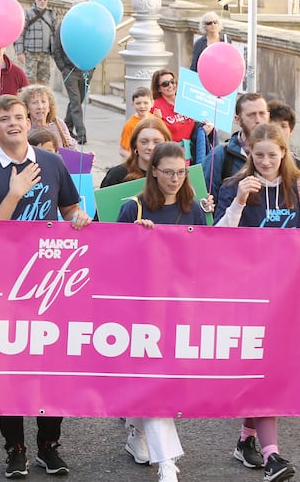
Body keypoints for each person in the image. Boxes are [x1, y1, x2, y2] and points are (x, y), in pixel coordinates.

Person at [0, 94, 91, 478]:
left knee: (51, 367)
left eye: (19, 117)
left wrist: (79, 216)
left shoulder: (52, 163)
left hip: (51, 283)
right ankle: (15, 448)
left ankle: (49, 446)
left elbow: (69, 207)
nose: (14, 124)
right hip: (5, 284)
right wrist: (14, 193)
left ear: (28, 121)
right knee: (11, 370)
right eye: (5, 118)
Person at [115, 142, 209, 482]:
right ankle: (167, 461)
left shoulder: (194, 208)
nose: (174, 179)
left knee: (161, 381)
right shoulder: (134, 208)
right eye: (168, 172)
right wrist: (136, 240)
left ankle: (136, 431)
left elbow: (203, 259)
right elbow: (112, 259)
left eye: (181, 172)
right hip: (141, 310)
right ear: (153, 171)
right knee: (154, 380)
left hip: (178, 308)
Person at [213, 122, 300, 482]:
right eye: (258, 155)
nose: (265, 161)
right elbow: (216, 239)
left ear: (284, 153)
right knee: (262, 370)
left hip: (289, 296)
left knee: (269, 370)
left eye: (272, 155)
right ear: (249, 153)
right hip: (247, 296)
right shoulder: (234, 186)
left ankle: (246, 440)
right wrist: (238, 201)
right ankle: (271, 456)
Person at [202, 92, 269, 199]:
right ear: (238, 120)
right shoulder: (220, 155)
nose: (258, 120)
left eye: (262, 114)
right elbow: (206, 199)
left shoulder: (279, 155)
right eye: (251, 115)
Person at [51, 19, 94, 144]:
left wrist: (92, 67)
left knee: (78, 101)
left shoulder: (89, 26)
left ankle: (66, 128)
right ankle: (81, 134)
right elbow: (56, 48)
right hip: (70, 71)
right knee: (75, 102)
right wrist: (63, 68)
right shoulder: (64, 26)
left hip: (86, 70)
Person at [150, 69, 213, 150]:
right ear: (159, 89)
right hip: (171, 151)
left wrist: (204, 131)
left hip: (192, 148)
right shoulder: (155, 106)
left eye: (172, 81)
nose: (170, 85)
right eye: (165, 84)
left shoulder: (185, 99)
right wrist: (157, 121)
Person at [101, 118, 172, 189]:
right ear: (135, 144)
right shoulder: (116, 175)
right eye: (144, 142)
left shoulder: (174, 175)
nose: (150, 147)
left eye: (157, 142)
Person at [13, 0, 58, 85]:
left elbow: (55, 34)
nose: (42, 1)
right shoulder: (27, 13)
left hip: (45, 53)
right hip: (30, 53)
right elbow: (20, 33)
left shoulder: (51, 14)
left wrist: (55, 52)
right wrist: (19, 52)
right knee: (29, 80)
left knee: (44, 79)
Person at [20, 84, 77, 150]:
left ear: (49, 107)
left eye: (43, 102)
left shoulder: (58, 124)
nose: (40, 107)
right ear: (27, 108)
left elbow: (71, 148)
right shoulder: (24, 128)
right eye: (35, 103)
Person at [120, 87, 156, 159]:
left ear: (152, 103)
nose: (142, 106)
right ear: (133, 104)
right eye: (138, 103)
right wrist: (136, 161)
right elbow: (123, 150)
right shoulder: (130, 125)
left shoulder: (154, 119)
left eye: (145, 103)